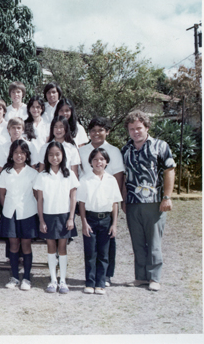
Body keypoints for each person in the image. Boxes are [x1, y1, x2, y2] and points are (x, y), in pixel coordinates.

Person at [121, 110, 175, 292]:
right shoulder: (126, 149)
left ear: (146, 127)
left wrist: (167, 197)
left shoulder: (160, 146)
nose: (135, 132)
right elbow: (124, 177)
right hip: (133, 202)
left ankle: (154, 277)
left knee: (153, 241)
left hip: (154, 201)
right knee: (137, 241)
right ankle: (141, 277)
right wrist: (123, 199)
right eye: (131, 129)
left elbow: (170, 170)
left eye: (138, 128)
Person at [79, 117, 124, 286]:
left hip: (107, 203)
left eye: (100, 130)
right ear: (89, 133)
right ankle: (91, 279)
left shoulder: (113, 151)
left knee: (107, 243)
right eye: (93, 130)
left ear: (107, 132)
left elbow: (118, 177)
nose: (96, 134)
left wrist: (114, 203)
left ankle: (105, 276)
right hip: (89, 199)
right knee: (91, 245)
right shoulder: (82, 151)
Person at [34, 141, 79, 294]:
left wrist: (71, 218)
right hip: (48, 216)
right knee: (51, 247)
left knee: (63, 247)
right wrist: (41, 220)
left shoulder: (69, 174)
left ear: (63, 156)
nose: (54, 157)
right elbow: (39, 199)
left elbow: (73, 198)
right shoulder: (42, 176)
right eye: (51, 154)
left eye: (57, 154)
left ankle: (63, 281)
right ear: (47, 157)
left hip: (65, 215)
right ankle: (53, 280)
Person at [0, 140, 39, 291]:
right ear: (11, 154)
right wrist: (7, 208)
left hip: (28, 212)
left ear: (27, 155)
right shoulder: (5, 172)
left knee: (26, 245)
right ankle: (14, 277)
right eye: (16, 152)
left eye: (22, 152)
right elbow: (1, 194)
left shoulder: (33, 173)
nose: (19, 155)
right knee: (13, 245)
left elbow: (36, 195)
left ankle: (26, 278)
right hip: (10, 213)